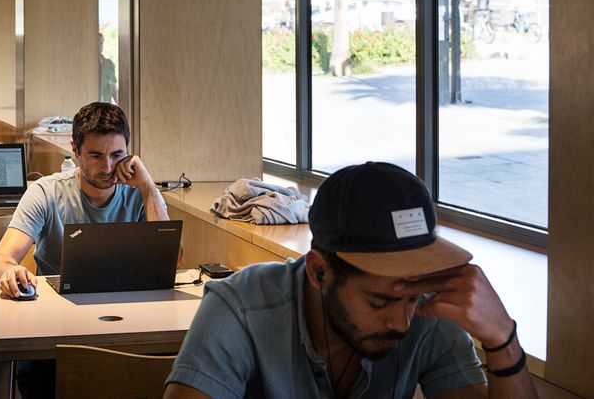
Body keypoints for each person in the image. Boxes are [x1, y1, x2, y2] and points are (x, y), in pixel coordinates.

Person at [163, 161, 537, 399]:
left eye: (411, 298)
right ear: (319, 271)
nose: (401, 321)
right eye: (379, 302)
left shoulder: (426, 309)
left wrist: (502, 338)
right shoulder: (242, 307)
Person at [0, 101, 171, 397]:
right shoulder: (46, 192)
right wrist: (11, 271)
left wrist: (148, 187)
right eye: (96, 155)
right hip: (57, 327)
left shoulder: (139, 193)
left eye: (117, 155)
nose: (108, 167)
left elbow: (168, 262)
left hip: (128, 321)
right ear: (74, 149)